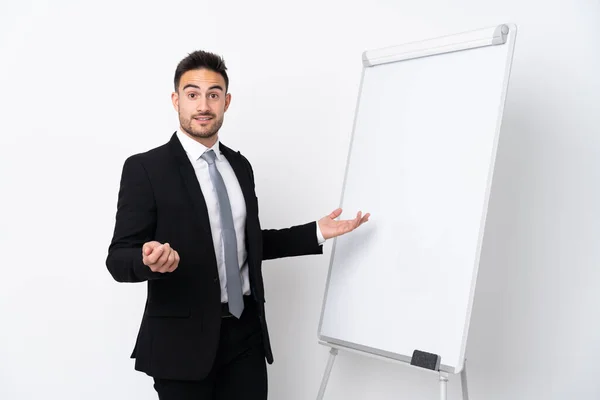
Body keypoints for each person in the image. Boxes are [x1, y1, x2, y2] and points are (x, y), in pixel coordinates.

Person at [106, 50, 370, 400]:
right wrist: (147, 260)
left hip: (244, 337)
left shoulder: (239, 167)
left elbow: (246, 244)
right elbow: (118, 257)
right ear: (176, 100)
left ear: (226, 102)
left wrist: (317, 232)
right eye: (192, 93)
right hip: (181, 346)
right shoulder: (146, 169)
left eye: (213, 94)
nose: (203, 104)